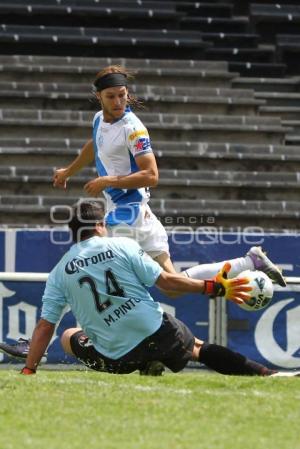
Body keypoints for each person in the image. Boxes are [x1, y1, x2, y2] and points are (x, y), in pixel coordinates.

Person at [52, 65, 286, 289]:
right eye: (111, 96)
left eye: (122, 95)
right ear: (99, 96)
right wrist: (68, 172)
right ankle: (250, 262)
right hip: (139, 214)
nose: (118, 102)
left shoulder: (133, 129)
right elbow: (95, 145)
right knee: (173, 286)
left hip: (127, 214)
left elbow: (152, 175)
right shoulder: (98, 119)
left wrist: (108, 181)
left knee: (109, 278)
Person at [4, 201, 296, 377]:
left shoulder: (58, 272)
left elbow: (45, 326)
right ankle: (265, 373)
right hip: (159, 334)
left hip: (116, 359)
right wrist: (217, 288)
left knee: (68, 335)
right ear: (100, 225)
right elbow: (168, 283)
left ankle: (145, 363)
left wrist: (30, 368)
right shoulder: (122, 245)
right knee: (195, 346)